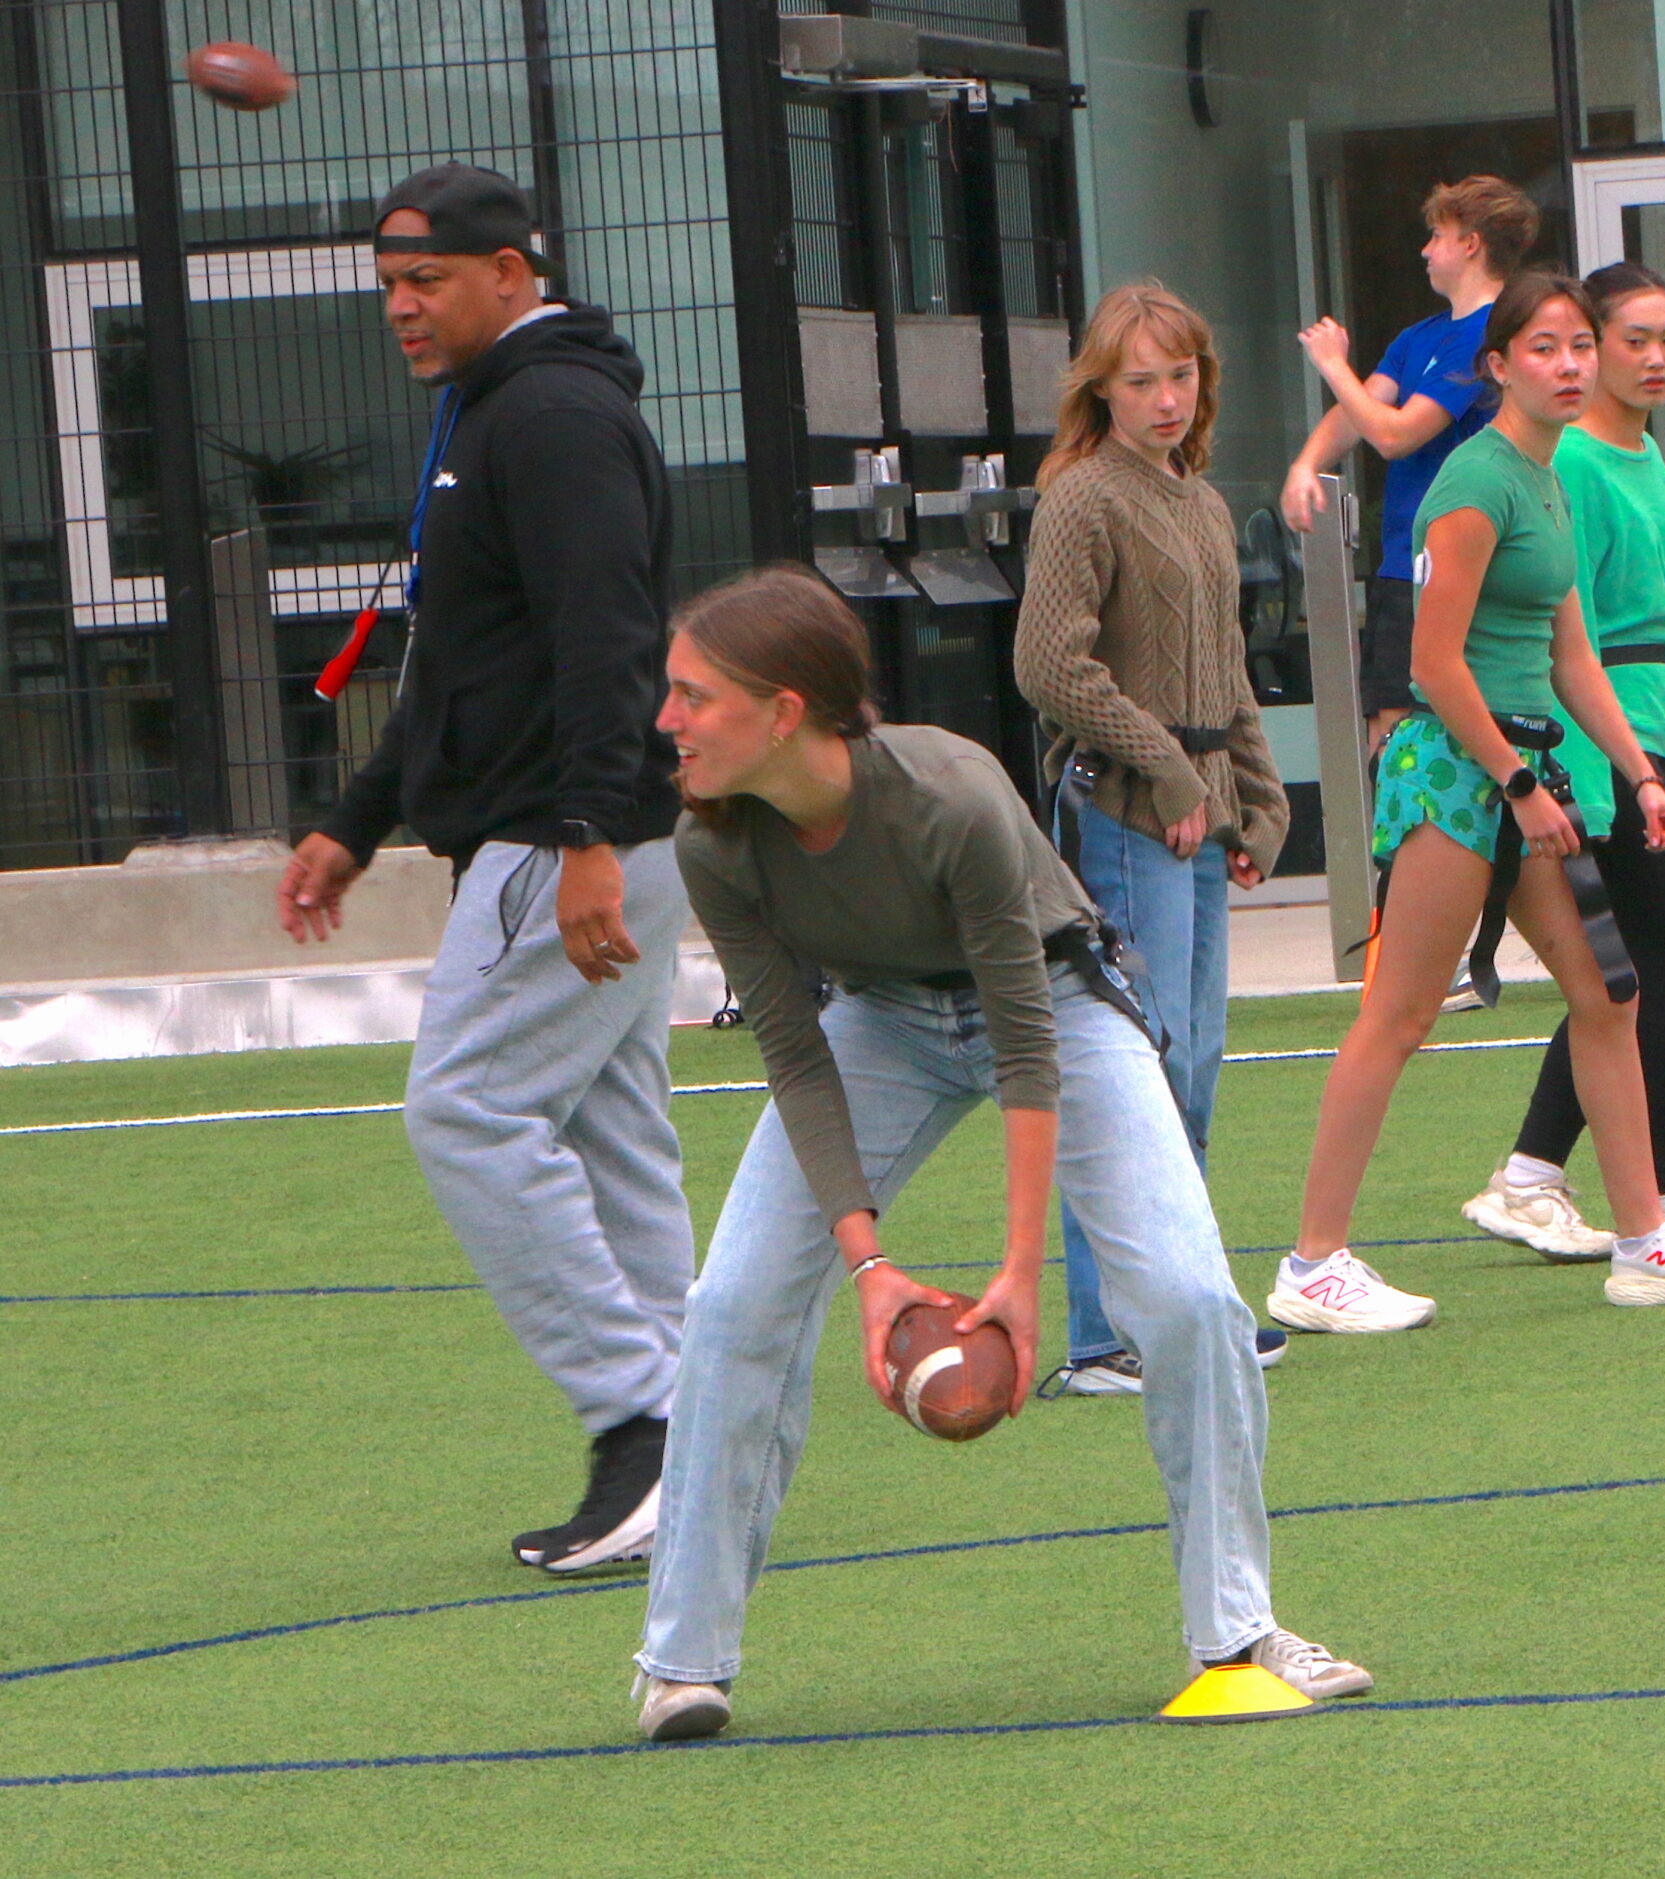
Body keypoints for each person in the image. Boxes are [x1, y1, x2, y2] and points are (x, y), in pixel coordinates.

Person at [632, 567, 1368, 1742]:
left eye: (691, 695)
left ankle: (1236, 1634)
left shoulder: (947, 794)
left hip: (1052, 1004)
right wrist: (870, 1270)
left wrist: (1021, 1279)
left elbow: (1027, 1045)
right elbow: (796, 1056)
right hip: (875, 1022)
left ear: (784, 710)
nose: (666, 720)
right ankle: (681, 1664)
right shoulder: (712, 844)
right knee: (732, 1305)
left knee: (1186, 1301)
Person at [275, 164, 690, 1575]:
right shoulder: (498, 410)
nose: (399, 306)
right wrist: (356, 817)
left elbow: (608, 635)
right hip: (571, 829)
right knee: (610, 1131)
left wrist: (586, 834)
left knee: (464, 1108)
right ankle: (694, 1432)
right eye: (388, 282)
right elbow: (459, 662)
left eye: (426, 280)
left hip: (566, 837)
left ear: (511, 271)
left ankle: (641, 1420)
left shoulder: (553, 412)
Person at [1277, 272, 1665, 1333]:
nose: (1570, 364)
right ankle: (1311, 1264)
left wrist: (1638, 776)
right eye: (1544, 348)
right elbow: (1432, 665)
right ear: (1496, 366)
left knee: (1609, 994)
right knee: (1397, 1019)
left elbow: (1569, 652)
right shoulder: (1475, 480)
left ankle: (1643, 1244)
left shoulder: (1550, 477)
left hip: (1519, 775)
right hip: (1456, 779)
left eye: (1578, 347)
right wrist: (1516, 784)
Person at [1457, 262, 1665, 1264]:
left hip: (1649, 739)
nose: (1652, 359)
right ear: (1589, 348)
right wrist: (1610, 770)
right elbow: (1576, 636)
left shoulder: (1643, 462)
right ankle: (1649, 1185)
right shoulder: (1579, 470)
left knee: (1640, 969)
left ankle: (1536, 1176)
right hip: (1608, 743)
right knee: (1645, 966)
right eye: (1630, 339)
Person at [1014, 282, 1292, 1397]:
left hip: (1196, 809)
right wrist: (1174, 767)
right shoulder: (1082, 499)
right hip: (1124, 813)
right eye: (1141, 380)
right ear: (1101, 388)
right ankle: (1102, 1335)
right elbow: (1048, 667)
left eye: (1180, 376)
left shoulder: (1204, 503)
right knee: (1137, 1069)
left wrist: (1261, 804)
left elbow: (1223, 675)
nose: (1166, 398)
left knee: (1197, 1067)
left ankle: (1183, 1307)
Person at [1283, 176, 1538, 750]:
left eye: (1436, 235)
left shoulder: (1492, 335)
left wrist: (1332, 364)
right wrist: (1306, 465)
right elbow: (1358, 413)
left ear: (1471, 243)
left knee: (1425, 733)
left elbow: (1395, 435)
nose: (1425, 250)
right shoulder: (1418, 335)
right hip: (1403, 566)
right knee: (1389, 728)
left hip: (1459, 564)